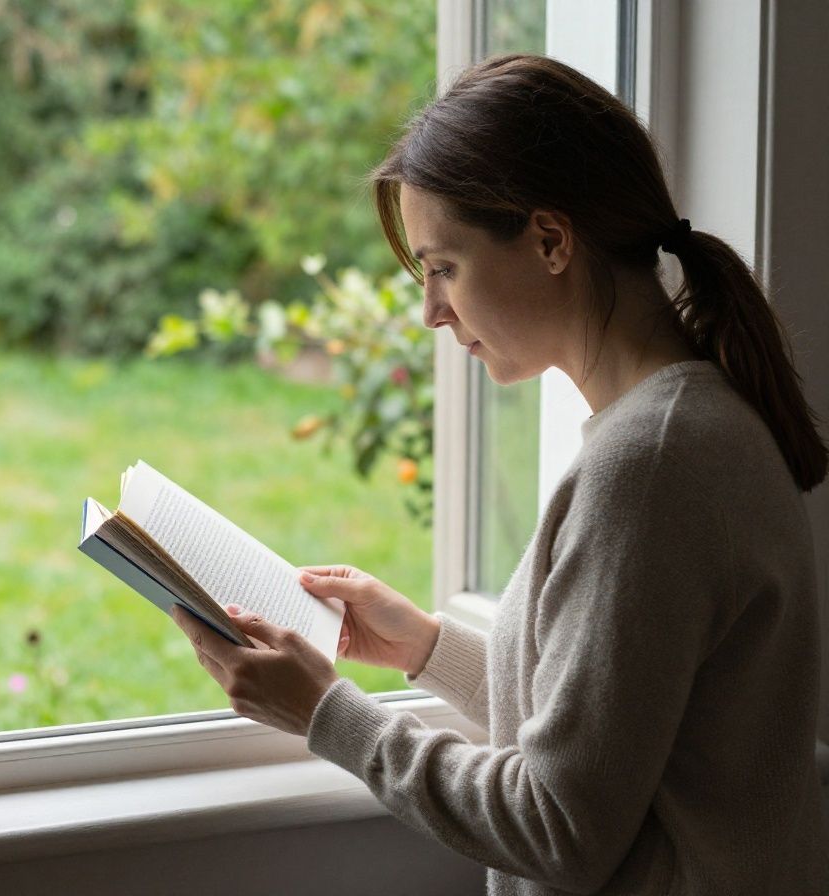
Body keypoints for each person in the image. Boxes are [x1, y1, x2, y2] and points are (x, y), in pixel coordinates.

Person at [171, 53, 829, 894]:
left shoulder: (653, 463)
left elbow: (559, 826)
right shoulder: (675, 427)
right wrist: (424, 647)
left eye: (444, 267)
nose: (431, 311)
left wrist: (327, 714)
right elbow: (615, 732)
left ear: (551, 240)